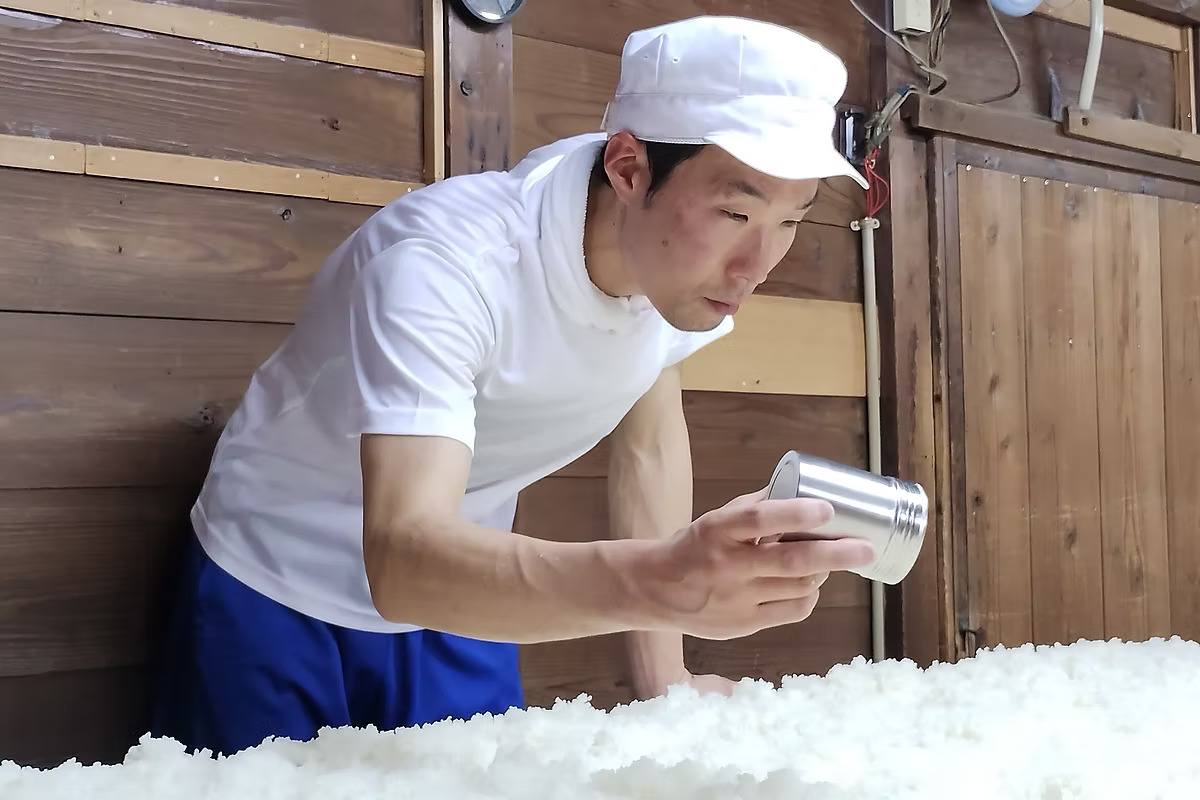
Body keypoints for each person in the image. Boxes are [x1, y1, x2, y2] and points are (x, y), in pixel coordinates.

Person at [148, 14, 875, 757]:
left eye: (790, 222)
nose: (757, 265)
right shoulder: (446, 263)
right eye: (735, 212)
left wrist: (666, 678)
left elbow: (650, 445)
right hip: (278, 577)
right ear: (628, 169)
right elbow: (400, 559)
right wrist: (659, 581)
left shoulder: (674, 275)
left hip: (467, 585)